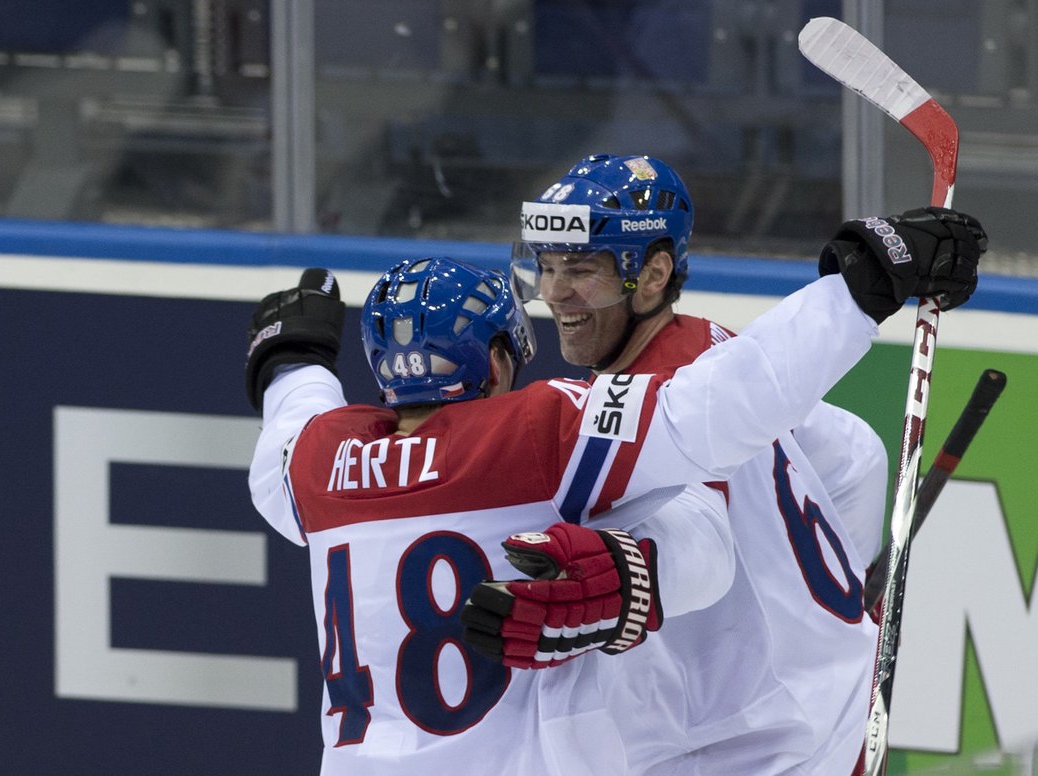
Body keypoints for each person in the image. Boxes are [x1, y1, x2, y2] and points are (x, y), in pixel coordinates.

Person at [245, 214, 981, 773]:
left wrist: (293, 361)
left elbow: (282, 445)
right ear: (498, 361)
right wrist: (859, 291)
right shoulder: (537, 432)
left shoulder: (319, 461)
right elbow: (721, 405)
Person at [465, 153, 987, 775]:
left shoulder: (668, 382)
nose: (555, 294)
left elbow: (696, 534)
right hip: (827, 715)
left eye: (582, 269)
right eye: (546, 268)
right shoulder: (711, 346)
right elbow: (852, 454)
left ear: (653, 273)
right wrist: (840, 611)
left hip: (758, 749)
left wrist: (629, 582)